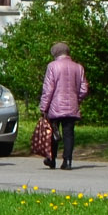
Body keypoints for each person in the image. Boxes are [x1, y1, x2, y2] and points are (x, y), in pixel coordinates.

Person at [39, 41, 88, 170]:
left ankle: (51, 159)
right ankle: (67, 161)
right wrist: (76, 99)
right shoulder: (78, 67)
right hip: (72, 105)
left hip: (55, 106)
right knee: (69, 133)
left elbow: (48, 89)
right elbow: (84, 89)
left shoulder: (52, 66)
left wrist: (43, 107)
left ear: (55, 53)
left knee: (53, 132)